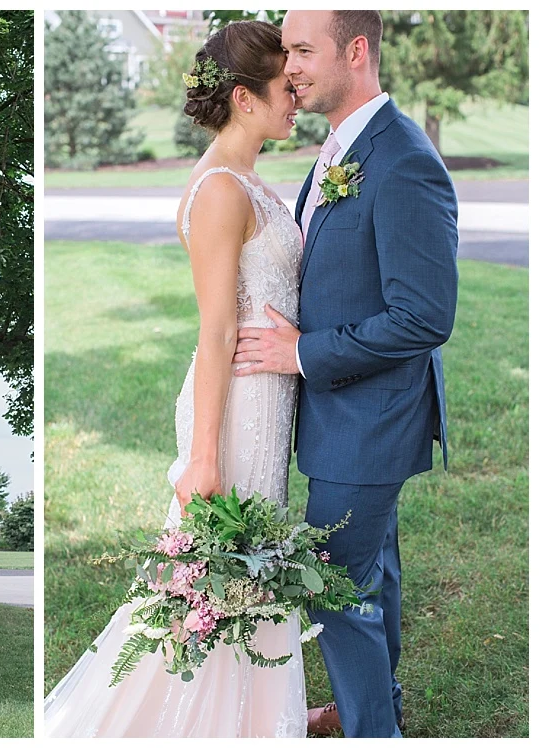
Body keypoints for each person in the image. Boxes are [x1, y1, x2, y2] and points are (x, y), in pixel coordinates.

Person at [44, 21, 308, 737]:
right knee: (223, 570)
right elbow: (217, 328)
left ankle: (255, 712)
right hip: (236, 408)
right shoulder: (222, 188)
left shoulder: (251, 177)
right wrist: (202, 458)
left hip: (266, 396)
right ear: (246, 99)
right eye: (287, 87)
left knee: (252, 568)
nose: (298, 98)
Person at [233, 10, 458, 738]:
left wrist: (301, 353)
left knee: (330, 588)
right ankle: (378, 708)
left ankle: (372, 731)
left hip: (369, 423)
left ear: (355, 51)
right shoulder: (340, 147)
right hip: (343, 421)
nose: (288, 66)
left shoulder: (402, 159)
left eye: (302, 50)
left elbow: (423, 317)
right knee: (372, 577)